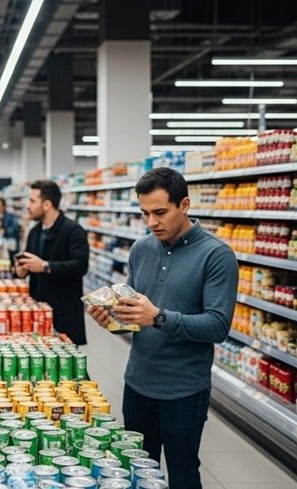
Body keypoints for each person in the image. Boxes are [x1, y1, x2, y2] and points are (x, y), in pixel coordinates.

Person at [86, 167, 238, 489]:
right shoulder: (141, 249)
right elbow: (133, 316)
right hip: (138, 383)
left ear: (184, 205)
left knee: (182, 474)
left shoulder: (216, 255)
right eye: (144, 213)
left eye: (160, 212)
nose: (152, 222)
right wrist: (112, 321)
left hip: (184, 390)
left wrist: (158, 317)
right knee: (137, 471)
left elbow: (218, 326)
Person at [16, 180, 89, 344]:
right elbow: (31, 263)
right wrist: (22, 271)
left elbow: (80, 265)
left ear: (47, 204)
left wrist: (45, 266)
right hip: (39, 313)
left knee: (65, 365)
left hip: (64, 313)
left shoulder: (73, 230)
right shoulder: (34, 232)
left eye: (32, 201)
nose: (28, 205)